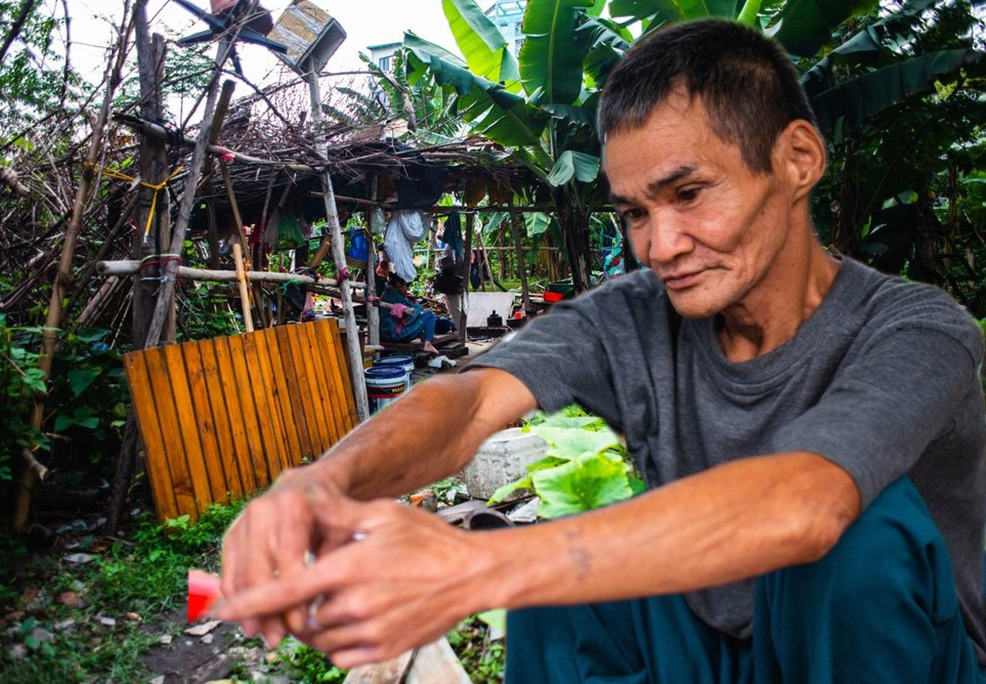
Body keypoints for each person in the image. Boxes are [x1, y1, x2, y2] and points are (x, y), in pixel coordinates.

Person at [215, 19, 986, 682]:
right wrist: (324, 482)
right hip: (717, 643)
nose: (661, 244)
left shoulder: (917, 331)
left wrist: (470, 567)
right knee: (558, 582)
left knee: (856, 538)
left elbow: (808, 502)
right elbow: (470, 399)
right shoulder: (635, 316)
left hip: (896, 657)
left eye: (688, 195)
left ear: (797, 160)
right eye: (634, 212)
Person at [378, 273, 438, 354]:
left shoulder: (387, 293)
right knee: (429, 315)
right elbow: (410, 317)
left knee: (422, 316)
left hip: (386, 335)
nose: (407, 289)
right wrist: (418, 306)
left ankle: (426, 336)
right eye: (407, 285)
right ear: (398, 284)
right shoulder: (395, 296)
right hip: (395, 335)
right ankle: (427, 344)